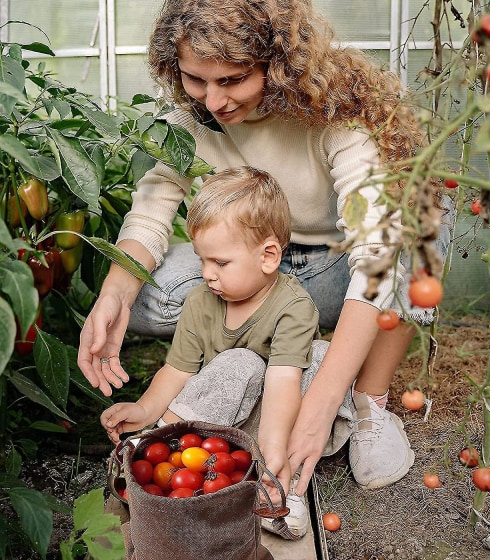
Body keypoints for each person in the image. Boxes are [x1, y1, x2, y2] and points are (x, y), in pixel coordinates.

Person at [78, 0, 453, 500]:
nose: (212, 101)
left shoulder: (335, 109)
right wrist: (114, 292)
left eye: (232, 80)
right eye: (195, 79)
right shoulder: (196, 114)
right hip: (263, 268)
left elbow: (376, 253)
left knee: (421, 229)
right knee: (143, 297)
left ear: (275, 63)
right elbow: (154, 205)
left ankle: (368, 401)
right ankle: (254, 366)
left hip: (335, 265)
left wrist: (321, 403)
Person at [101, 166, 342, 537]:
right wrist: (145, 409)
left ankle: (282, 485)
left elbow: (282, 383)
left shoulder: (294, 306)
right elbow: (177, 370)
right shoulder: (200, 302)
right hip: (218, 422)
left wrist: (272, 449)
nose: (207, 273)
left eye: (220, 263)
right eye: (202, 259)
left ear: (268, 256)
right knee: (241, 362)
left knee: (324, 358)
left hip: (275, 418)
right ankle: (165, 439)